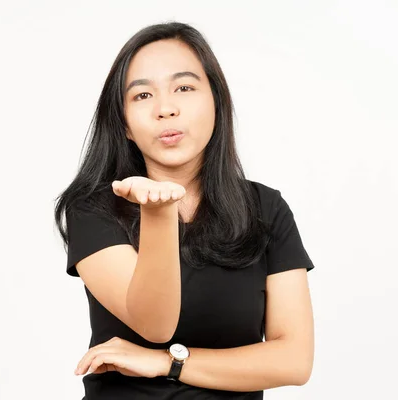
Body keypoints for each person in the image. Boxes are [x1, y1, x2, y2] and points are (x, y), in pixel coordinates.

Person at [53, 21, 315, 400]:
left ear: (216, 102)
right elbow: (155, 324)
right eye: (142, 96)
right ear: (124, 124)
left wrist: (168, 363)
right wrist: (158, 210)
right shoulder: (94, 209)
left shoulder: (265, 208)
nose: (165, 109)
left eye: (184, 88)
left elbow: (294, 360)